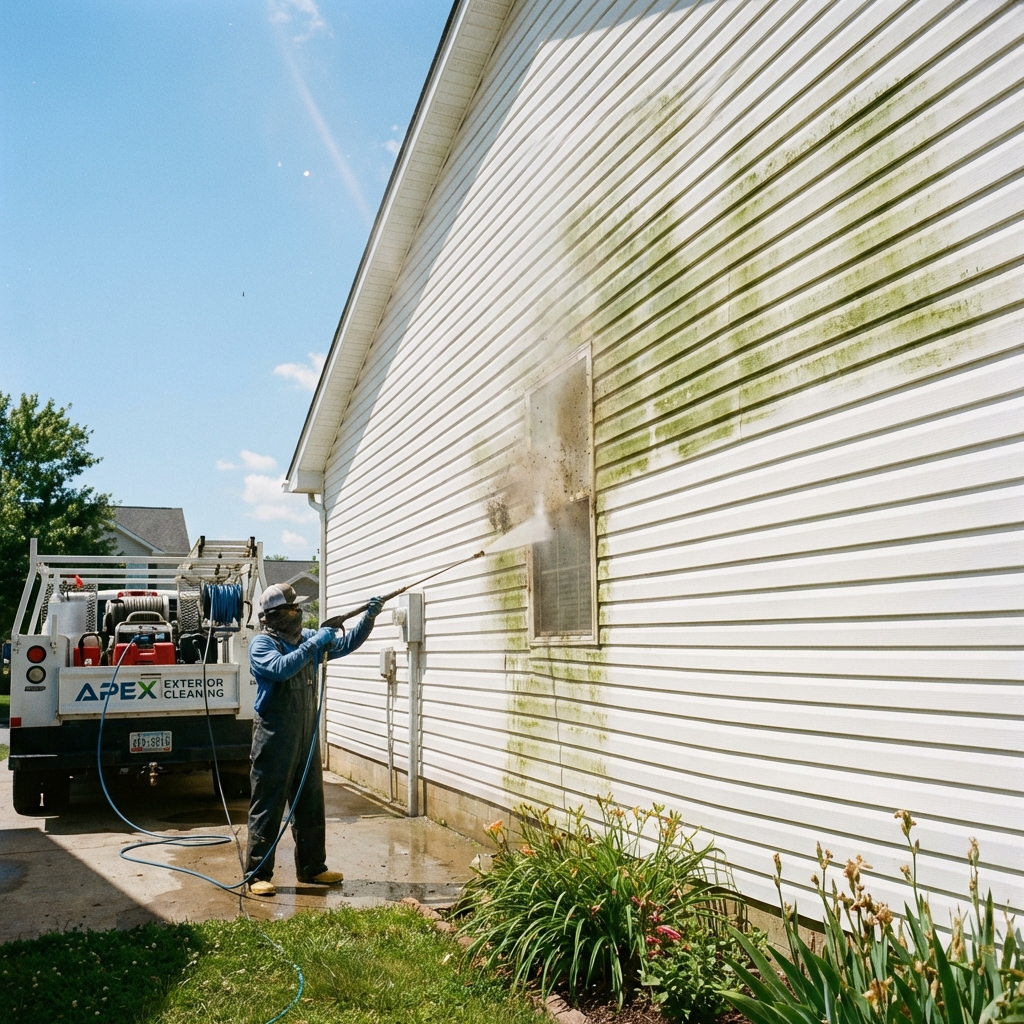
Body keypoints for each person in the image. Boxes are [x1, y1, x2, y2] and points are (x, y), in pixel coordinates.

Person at [245, 582, 383, 896]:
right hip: (274, 736)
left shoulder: (308, 639)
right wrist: (316, 641)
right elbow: (281, 670)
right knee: (267, 806)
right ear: (274, 615)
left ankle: (312, 869)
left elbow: (345, 644)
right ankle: (257, 875)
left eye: (298, 607)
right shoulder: (263, 645)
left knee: (310, 804)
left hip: (306, 734)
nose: (298, 613)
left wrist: (369, 619)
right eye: (292, 609)